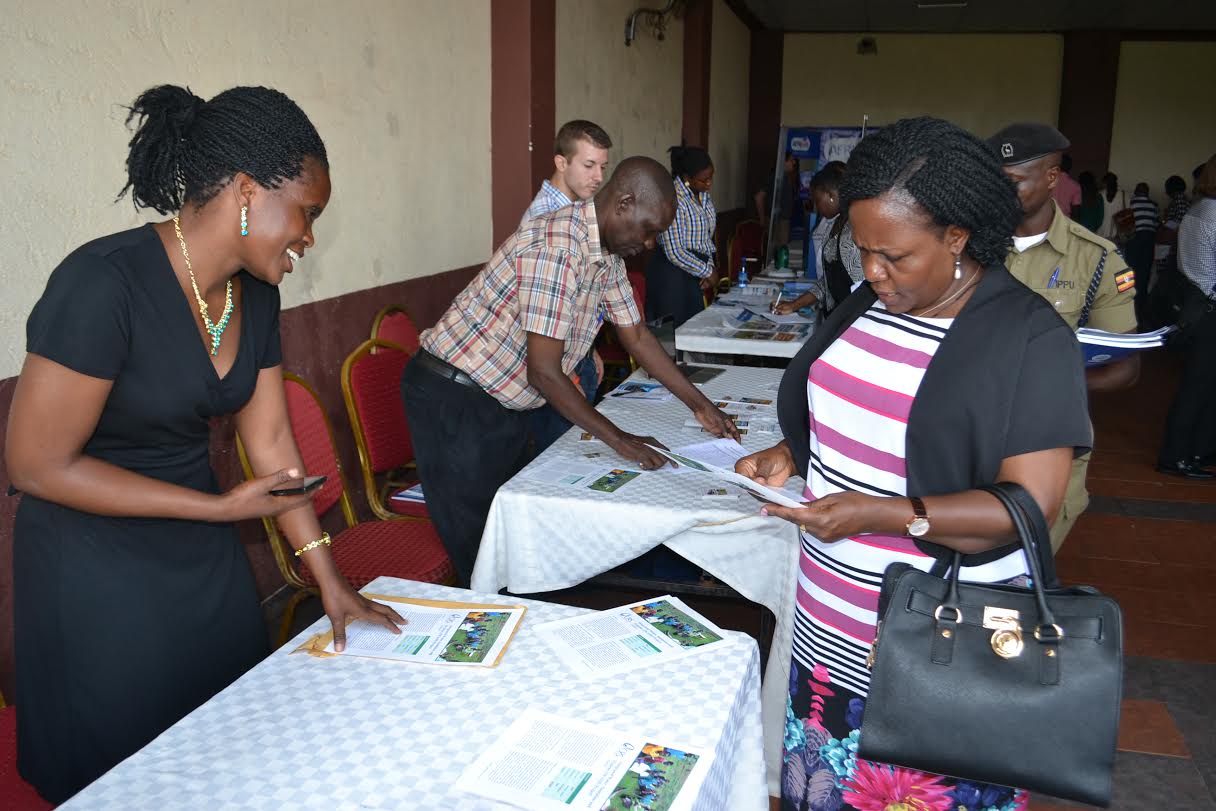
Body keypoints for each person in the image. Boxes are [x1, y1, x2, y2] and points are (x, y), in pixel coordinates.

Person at [5, 85, 405, 804]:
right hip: (94, 565)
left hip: (202, 547)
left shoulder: (256, 294)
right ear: (248, 191)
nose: (309, 237)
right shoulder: (102, 284)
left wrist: (331, 582)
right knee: (127, 773)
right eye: (307, 213)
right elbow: (34, 463)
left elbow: (275, 441)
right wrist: (216, 509)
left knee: (232, 742)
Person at [735, 117, 1090, 811]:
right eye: (863, 249)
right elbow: (852, 404)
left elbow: (1028, 507)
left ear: (956, 237)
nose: (871, 270)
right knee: (822, 791)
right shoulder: (873, 302)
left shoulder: (1029, 338)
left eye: (893, 254)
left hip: (941, 643)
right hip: (830, 622)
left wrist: (884, 515)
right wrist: (793, 451)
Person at [401, 157, 738, 584]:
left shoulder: (607, 256)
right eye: (649, 229)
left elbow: (636, 335)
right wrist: (621, 441)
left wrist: (700, 406)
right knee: (483, 548)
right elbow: (543, 371)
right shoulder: (558, 247)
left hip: (497, 397)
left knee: (517, 536)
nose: (651, 243)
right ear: (624, 203)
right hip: (453, 395)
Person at [988, 122, 1139, 553]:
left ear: (1052, 179)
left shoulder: (1096, 262)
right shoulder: (963, 246)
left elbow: (1125, 369)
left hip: (1045, 445)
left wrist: (1048, 388)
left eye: (1012, 183)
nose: (999, 193)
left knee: (1023, 579)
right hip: (967, 440)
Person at [521, 120, 612, 451]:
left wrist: (590, 349)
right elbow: (540, 313)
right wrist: (569, 371)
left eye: (603, 167)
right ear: (561, 163)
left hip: (575, 358)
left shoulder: (580, 213)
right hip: (555, 369)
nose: (598, 177)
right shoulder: (546, 222)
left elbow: (577, 298)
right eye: (588, 165)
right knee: (561, 456)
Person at [1157, 154, 1216, 478]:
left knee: (1199, 384)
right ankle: (1178, 456)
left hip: (1194, 303)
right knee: (1199, 387)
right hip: (1210, 308)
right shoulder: (1215, 214)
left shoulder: (1197, 210)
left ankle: (1192, 452)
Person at [773, 163, 864, 316]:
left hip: (852, 320)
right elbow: (826, 283)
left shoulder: (852, 233)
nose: (816, 206)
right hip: (837, 316)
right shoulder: (833, 226)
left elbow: (862, 289)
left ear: (831, 196)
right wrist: (794, 305)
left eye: (817, 200)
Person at [645, 145, 718, 327]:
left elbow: (706, 238)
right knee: (675, 336)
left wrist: (707, 265)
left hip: (694, 270)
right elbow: (675, 251)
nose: (709, 183)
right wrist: (708, 272)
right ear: (687, 178)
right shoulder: (673, 199)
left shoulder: (702, 195)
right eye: (704, 180)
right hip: (672, 275)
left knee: (694, 329)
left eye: (711, 177)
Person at [1127, 182, 1161, 324]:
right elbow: (1157, 224)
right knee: (1144, 272)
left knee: (1129, 269)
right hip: (1149, 240)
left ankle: (1127, 299)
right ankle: (1140, 303)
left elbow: (1127, 224)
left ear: (1136, 191)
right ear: (1147, 193)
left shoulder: (1131, 203)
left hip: (1135, 239)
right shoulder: (1154, 205)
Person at [1097, 171, 1128, 242]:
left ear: (1105, 183)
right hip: (1113, 236)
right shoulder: (1124, 196)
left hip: (1106, 235)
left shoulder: (1099, 194)